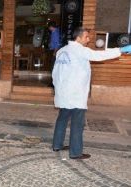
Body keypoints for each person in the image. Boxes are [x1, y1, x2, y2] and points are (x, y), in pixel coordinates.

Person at [52, 27, 131, 159]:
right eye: (86, 37)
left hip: (63, 92)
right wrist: (120, 50)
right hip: (75, 93)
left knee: (62, 119)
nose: (88, 40)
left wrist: (57, 88)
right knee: (78, 123)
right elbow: (99, 55)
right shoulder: (80, 50)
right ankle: (76, 153)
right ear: (78, 37)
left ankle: (57, 145)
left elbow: (55, 72)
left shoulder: (62, 51)